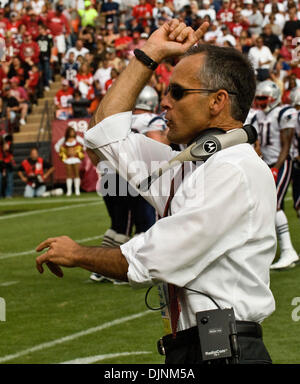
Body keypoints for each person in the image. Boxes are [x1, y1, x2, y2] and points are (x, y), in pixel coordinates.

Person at [36, 19, 276, 364]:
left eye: (177, 92)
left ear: (218, 101)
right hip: (201, 349)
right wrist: (150, 53)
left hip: (225, 351)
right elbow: (105, 134)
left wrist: (77, 254)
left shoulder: (231, 170)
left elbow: (151, 259)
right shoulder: (194, 165)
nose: (165, 102)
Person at [253, 80, 299, 270]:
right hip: (266, 164)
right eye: (259, 98)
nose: (261, 102)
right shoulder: (257, 116)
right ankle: (272, 250)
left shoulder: (283, 113)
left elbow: (286, 144)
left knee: (275, 205)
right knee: (264, 206)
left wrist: (276, 167)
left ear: (273, 97)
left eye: (264, 98)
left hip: (281, 163)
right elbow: (256, 142)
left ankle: (288, 251)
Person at [54, 126, 84, 196]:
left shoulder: (77, 138)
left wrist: (79, 151)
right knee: (69, 175)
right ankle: (69, 191)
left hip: (76, 158)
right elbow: (57, 146)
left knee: (77, 174)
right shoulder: (64, 139)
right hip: (68, 159)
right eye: (71, 132)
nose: (72, 133)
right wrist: (62, 153)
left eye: (73, 132)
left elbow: (84, 144)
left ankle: (77, 190)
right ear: (68, 132)